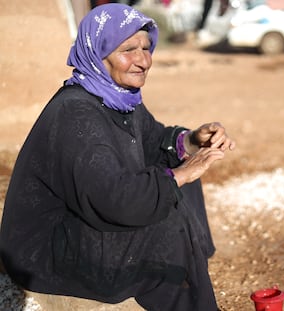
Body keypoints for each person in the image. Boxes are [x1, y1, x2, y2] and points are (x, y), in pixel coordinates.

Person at [0, 3, 235, 311]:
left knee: (177, 172)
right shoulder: (76, 112)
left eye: (146, 48)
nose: (142, 60)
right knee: (169, 213)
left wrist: (192, 141)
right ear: (98, 55)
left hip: (84, 219)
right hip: (45, 249)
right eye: (128, 50)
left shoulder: (120, 99)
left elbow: (155, 140)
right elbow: (113, 198)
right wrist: (180, 175)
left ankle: (189, 275)